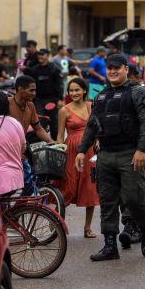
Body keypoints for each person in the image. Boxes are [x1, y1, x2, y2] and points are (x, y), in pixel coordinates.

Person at [75, 53, 145, 261]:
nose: (112, 71)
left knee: (134, 197)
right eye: (109, 68)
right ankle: (110, 245)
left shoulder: (139, 93)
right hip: (106, 155)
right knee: (107, 201)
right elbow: (92, 126)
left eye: (117, 68)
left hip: (130, 154)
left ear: (126, 69)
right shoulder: (101, 96)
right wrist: (82, 150)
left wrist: (141, 150)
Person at [55, 78, 99, 238]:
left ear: (84, 91)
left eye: (77, 90)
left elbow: (96, 129)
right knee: (68, 188)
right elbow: (60, 135)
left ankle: (87, 228)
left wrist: (98, 142)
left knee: (90, 188)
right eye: (71, 90)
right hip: (71, 152)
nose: (74, 93)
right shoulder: (64, 110)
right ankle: (57, 225)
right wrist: (59, 154)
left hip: (89, 152)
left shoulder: (91, 106)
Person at [23, 49, 64, 140]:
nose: (40, 56)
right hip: (39, 100)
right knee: (40, 123)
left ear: (48, 55)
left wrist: (60, 99)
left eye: (42, 54)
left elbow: (60, 84)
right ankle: (41, 145)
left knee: (55, 124)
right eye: (39, 54)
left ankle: (56, 145)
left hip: (52, 99)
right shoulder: (34, 70)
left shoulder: (54, 68)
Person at [8, 75, 53, 144]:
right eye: (31, 90)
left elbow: (38, 129)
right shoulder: (6, 103)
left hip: (21, 145)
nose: (34, 93)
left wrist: (51, 142)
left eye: (35, 90)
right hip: (6, 145)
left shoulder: (30, 105)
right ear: (20, 89)